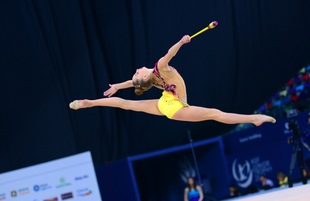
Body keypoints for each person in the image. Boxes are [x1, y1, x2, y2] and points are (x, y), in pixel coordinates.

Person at [69, 35, 276, 126]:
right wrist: (182, 42)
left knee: (127, 104)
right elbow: (169, 54)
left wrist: (118, 85)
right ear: (144, 75)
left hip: (165, 103)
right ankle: (253, 118)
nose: (137, 70)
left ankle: (90, 103)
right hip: (173, 105)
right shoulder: (159, 67)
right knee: (214, 114)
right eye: (137, 72)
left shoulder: (151, 79)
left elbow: (134, 83)